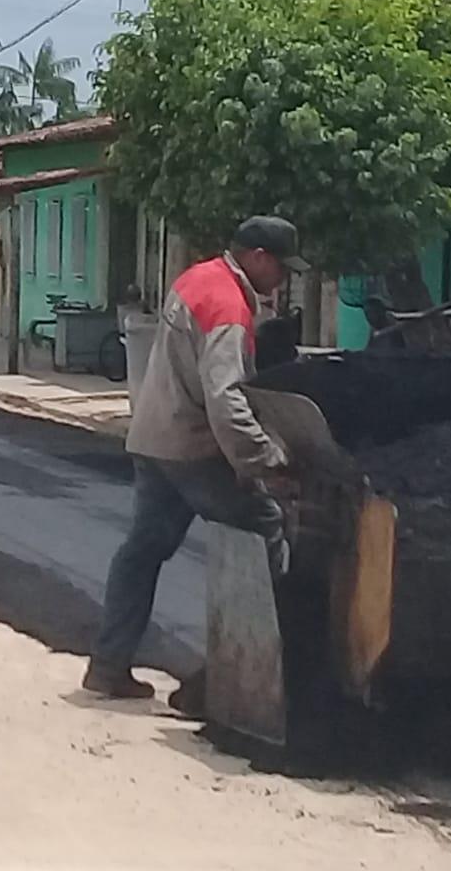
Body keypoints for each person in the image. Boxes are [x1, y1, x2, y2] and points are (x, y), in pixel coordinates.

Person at [83, 216, 307, 706]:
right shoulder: (228, 308)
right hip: (193, 447)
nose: (284, 280)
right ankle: (233, 682)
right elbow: (226, 400)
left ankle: (108, 666)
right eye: (281, 268)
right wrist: (264, 461)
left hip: (153, 437)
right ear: (258, 258)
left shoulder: (196, 278)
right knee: (263, 529)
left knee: (143, 549)